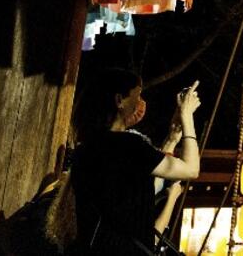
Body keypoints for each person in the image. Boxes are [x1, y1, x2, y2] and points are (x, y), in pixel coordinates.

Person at [68, 68, 201, 255]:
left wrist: (172, 139)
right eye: (137, 96)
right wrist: (187, 116)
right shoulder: (129, 145)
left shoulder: (86, 148)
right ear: (119, 101)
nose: (140, 103)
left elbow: (140, 188)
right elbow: (191, 169)